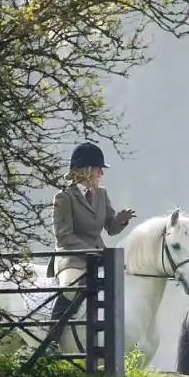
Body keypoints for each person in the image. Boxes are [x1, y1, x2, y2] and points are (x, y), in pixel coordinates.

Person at [46, 142, 136, 345]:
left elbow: (110, 228)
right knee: (72, 289)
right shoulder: (64, 197)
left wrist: (120, 220)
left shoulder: (101, 194)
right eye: (98, 169)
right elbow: (64, 237)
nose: (101, 173)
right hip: (71, 259)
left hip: (98, 256)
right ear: (86, 171)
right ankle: (53, 338)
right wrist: (91, 252)